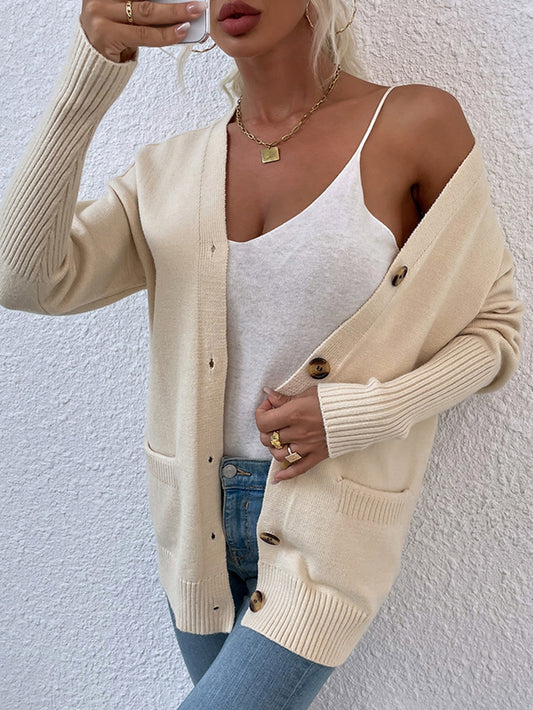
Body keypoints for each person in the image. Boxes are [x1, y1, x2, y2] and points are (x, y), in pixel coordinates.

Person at [0, 1, 524, 708]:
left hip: (327, 527)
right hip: (196, 529)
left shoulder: (412, 124)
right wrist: (87, 82)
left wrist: (359, 414)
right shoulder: (168, 172)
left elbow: (495, 326)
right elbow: (26, 279)